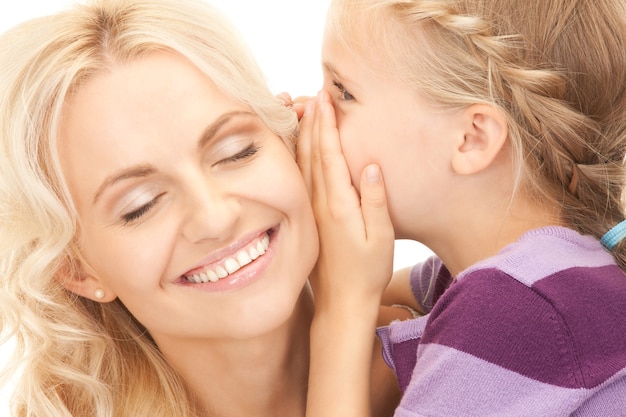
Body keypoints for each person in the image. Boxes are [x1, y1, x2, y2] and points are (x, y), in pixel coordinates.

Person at [0, 0, 408, 416]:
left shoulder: (463, 355)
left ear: (293, 137)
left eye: (236, 152)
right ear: (76, 269)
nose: (216, 217)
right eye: (140, 206)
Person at [299, 0, 626, 416]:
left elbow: (351, 298)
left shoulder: (515, 310)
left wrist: (342, 308)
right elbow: (373, 289)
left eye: (343, 92)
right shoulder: (522, 275)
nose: (313, 111)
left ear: (472, 138)